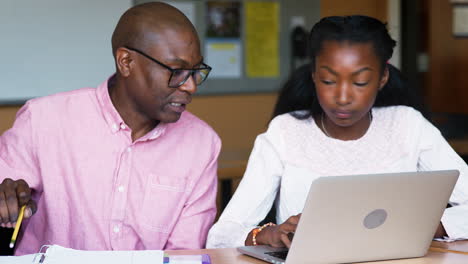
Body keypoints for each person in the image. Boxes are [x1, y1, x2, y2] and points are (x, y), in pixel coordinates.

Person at [207, 15, 468, 249]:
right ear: (313, 75)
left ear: (383, 77)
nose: (343, 97)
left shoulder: (408, 125)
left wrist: (423, 225)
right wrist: (268, 235)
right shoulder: (285, 132)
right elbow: (221, 235)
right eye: (329, 81)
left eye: (360, 82)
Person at [0, 2, 221, 255]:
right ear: (126, 62)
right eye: (177, 71)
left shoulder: (202, 144)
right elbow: (6, 191)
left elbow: (183, 255)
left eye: (196, 72)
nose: (190, 86)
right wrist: (7, 199)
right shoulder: (42, 121)